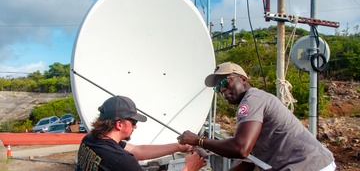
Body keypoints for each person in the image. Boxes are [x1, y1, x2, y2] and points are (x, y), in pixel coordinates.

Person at [177, 62, 336, 171]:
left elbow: (240, 149)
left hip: (310, 166)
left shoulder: (252, 100)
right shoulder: (253, 104)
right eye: (218, 88)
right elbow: (248, 161)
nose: (222, 90)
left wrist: (199, 141)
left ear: (243, 79)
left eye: (225, 82)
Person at [76, 95, 206, 171]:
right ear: (119, 124)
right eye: (133, 122)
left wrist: (178, 147)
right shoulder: (121, 160)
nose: (135, 126)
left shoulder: (91, 139)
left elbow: (137, 150)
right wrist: (189, 167)